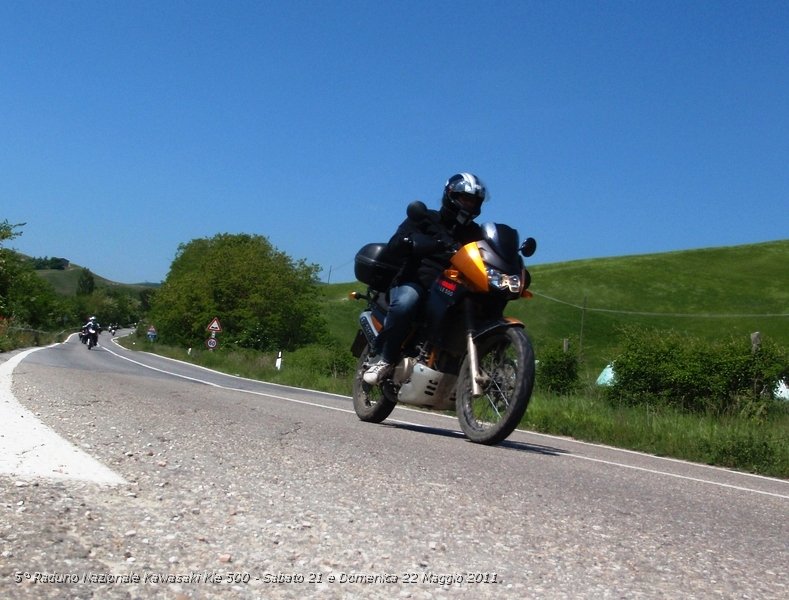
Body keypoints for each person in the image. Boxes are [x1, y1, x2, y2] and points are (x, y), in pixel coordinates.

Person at [363, 172, 487, 384]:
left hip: (452, 287)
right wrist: (410, 242)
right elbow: (394, 246)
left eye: (473, 200)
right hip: (416, 281)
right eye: (465, 198)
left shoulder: (475, 233)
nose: (468, 204)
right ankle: (384, 358)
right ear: (450, 196)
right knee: (406, 303)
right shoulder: (425, 218)